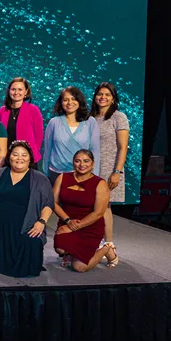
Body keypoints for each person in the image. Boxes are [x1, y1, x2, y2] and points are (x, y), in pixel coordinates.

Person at [0, 141, 54, 277]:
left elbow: (48, 204)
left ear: (30, 158)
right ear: (9, 157)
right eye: (15, 154)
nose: (19, 158)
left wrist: (41, 222)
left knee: (32, 242)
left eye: (24, 155)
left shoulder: (40, 179)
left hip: (27, 224)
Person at [53, 149, 118, 272]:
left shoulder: (100, 183)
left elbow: (98, 213)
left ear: (93, 163)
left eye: (86, 161)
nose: (82, 165)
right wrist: (68, 221)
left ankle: (106, 248)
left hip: (90, 225)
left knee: (79, 267)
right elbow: (53, 203)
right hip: (68, 220)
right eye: (77, 161)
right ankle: (71, 253)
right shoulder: (62, 177)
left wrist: (75, 226)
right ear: (73, 163)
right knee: (60, 249)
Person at [91, 82, 129, 249]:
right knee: (90, 205)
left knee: (104, 205)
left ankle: (108, 243)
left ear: (113, 99)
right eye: (100, 94)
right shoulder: (90, 117)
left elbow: (122, 147)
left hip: (109, 169)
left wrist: (117, 172)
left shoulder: (118, 117)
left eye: (107, 94)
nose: (103, 97)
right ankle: (92, 241)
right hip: (90, 168)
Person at [42, 86, 101, 186]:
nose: (70, 103)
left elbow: (95, 150)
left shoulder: (90, 122)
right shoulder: (54, 122)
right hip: (56, 174)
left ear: (79, 101)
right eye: (65, 100)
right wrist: (45, 175)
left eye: (73, 99)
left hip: (82, 173)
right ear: (61, 103)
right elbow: (47, 150)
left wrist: (94, 176)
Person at [0, 77, 44, 167]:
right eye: (13, 89)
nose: (16, 93)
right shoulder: (2, 110)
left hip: (27, 158)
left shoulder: (33, 110)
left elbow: (38, 136)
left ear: (26, 92)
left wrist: (30, 154)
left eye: (20, 89)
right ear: (9, 91)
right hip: (7, 158)